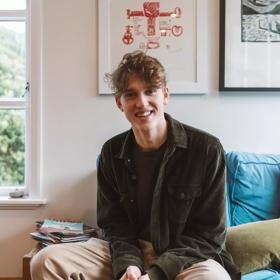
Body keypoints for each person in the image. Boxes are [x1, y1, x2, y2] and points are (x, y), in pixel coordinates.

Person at [30, 51, 240, 280]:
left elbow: (209, 235)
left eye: (150, 91)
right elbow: (114, 226)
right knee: (46, 260)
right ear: (119, 103)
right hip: (129, 253)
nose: (141, 103)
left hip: (187, 258)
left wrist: (155, 273)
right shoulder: (111, 152)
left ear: (165, 95)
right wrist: (128, 266)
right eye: (131, 94)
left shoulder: (207, 149)